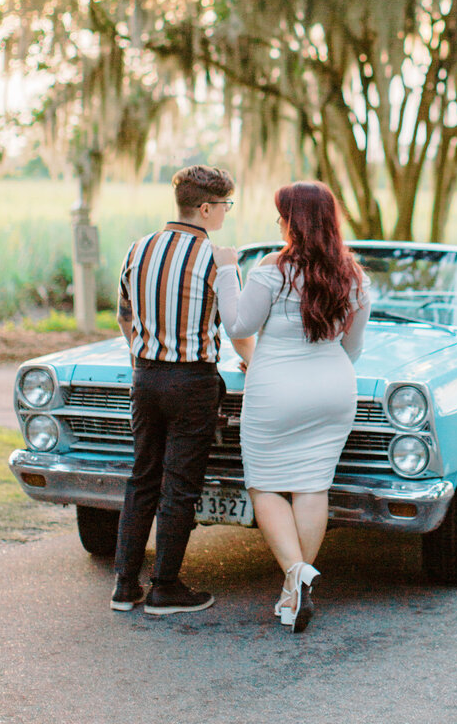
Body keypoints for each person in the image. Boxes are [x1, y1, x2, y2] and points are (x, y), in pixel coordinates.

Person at [216, 180, 371, 634]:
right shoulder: (355, 278)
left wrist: (228, 270)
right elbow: (353, 348)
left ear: (294, 221)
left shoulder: (270, 268)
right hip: (334, 387)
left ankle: (294, 573)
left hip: (277, 390)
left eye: (282, 213)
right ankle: (296, 588)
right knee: (312, 486)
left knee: (264, 486)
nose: (278, 221)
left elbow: (239, 323)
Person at [110, 165, 254, 615]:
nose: (227, 213)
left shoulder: (139, 248)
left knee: (142, 478)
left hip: (146, 376)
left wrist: (145, 359)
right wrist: (255, 360)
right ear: (207, 208)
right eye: (225, 206)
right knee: (180, 484)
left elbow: (124, 315)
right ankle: (165, 588)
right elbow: (237, 324)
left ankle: (124, 586)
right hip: (192, 380)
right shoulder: (216, 257)